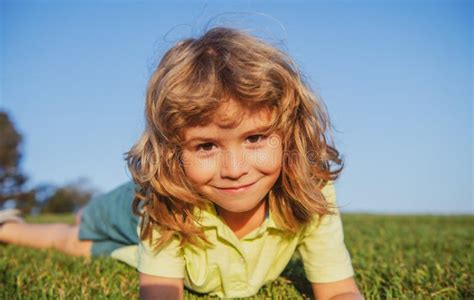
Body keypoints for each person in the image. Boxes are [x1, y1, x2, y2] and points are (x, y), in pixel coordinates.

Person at [0, 27, 363, 299]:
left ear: (289, 133)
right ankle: (9, 229)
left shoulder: (310, 194)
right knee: (82, 227)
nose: (234, 168)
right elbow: (161, 290)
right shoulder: (163, 197)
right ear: (172, 151)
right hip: (132, 205)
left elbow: (337, 289)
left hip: (152, 230)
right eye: (206, 146)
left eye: (254, 138)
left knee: (84, 249)